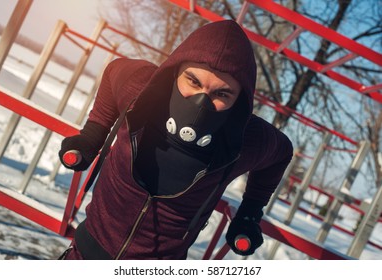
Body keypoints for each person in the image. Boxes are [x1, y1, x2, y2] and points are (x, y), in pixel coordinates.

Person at [58, 20, 293, 260]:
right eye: (193, 81)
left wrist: (250, 213)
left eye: (222, 93)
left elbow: (282, 153)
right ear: (175, 71)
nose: (200, 102)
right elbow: (114, 71)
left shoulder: (245, 138)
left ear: (238, 100)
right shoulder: (141, 90)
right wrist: (92, 135)